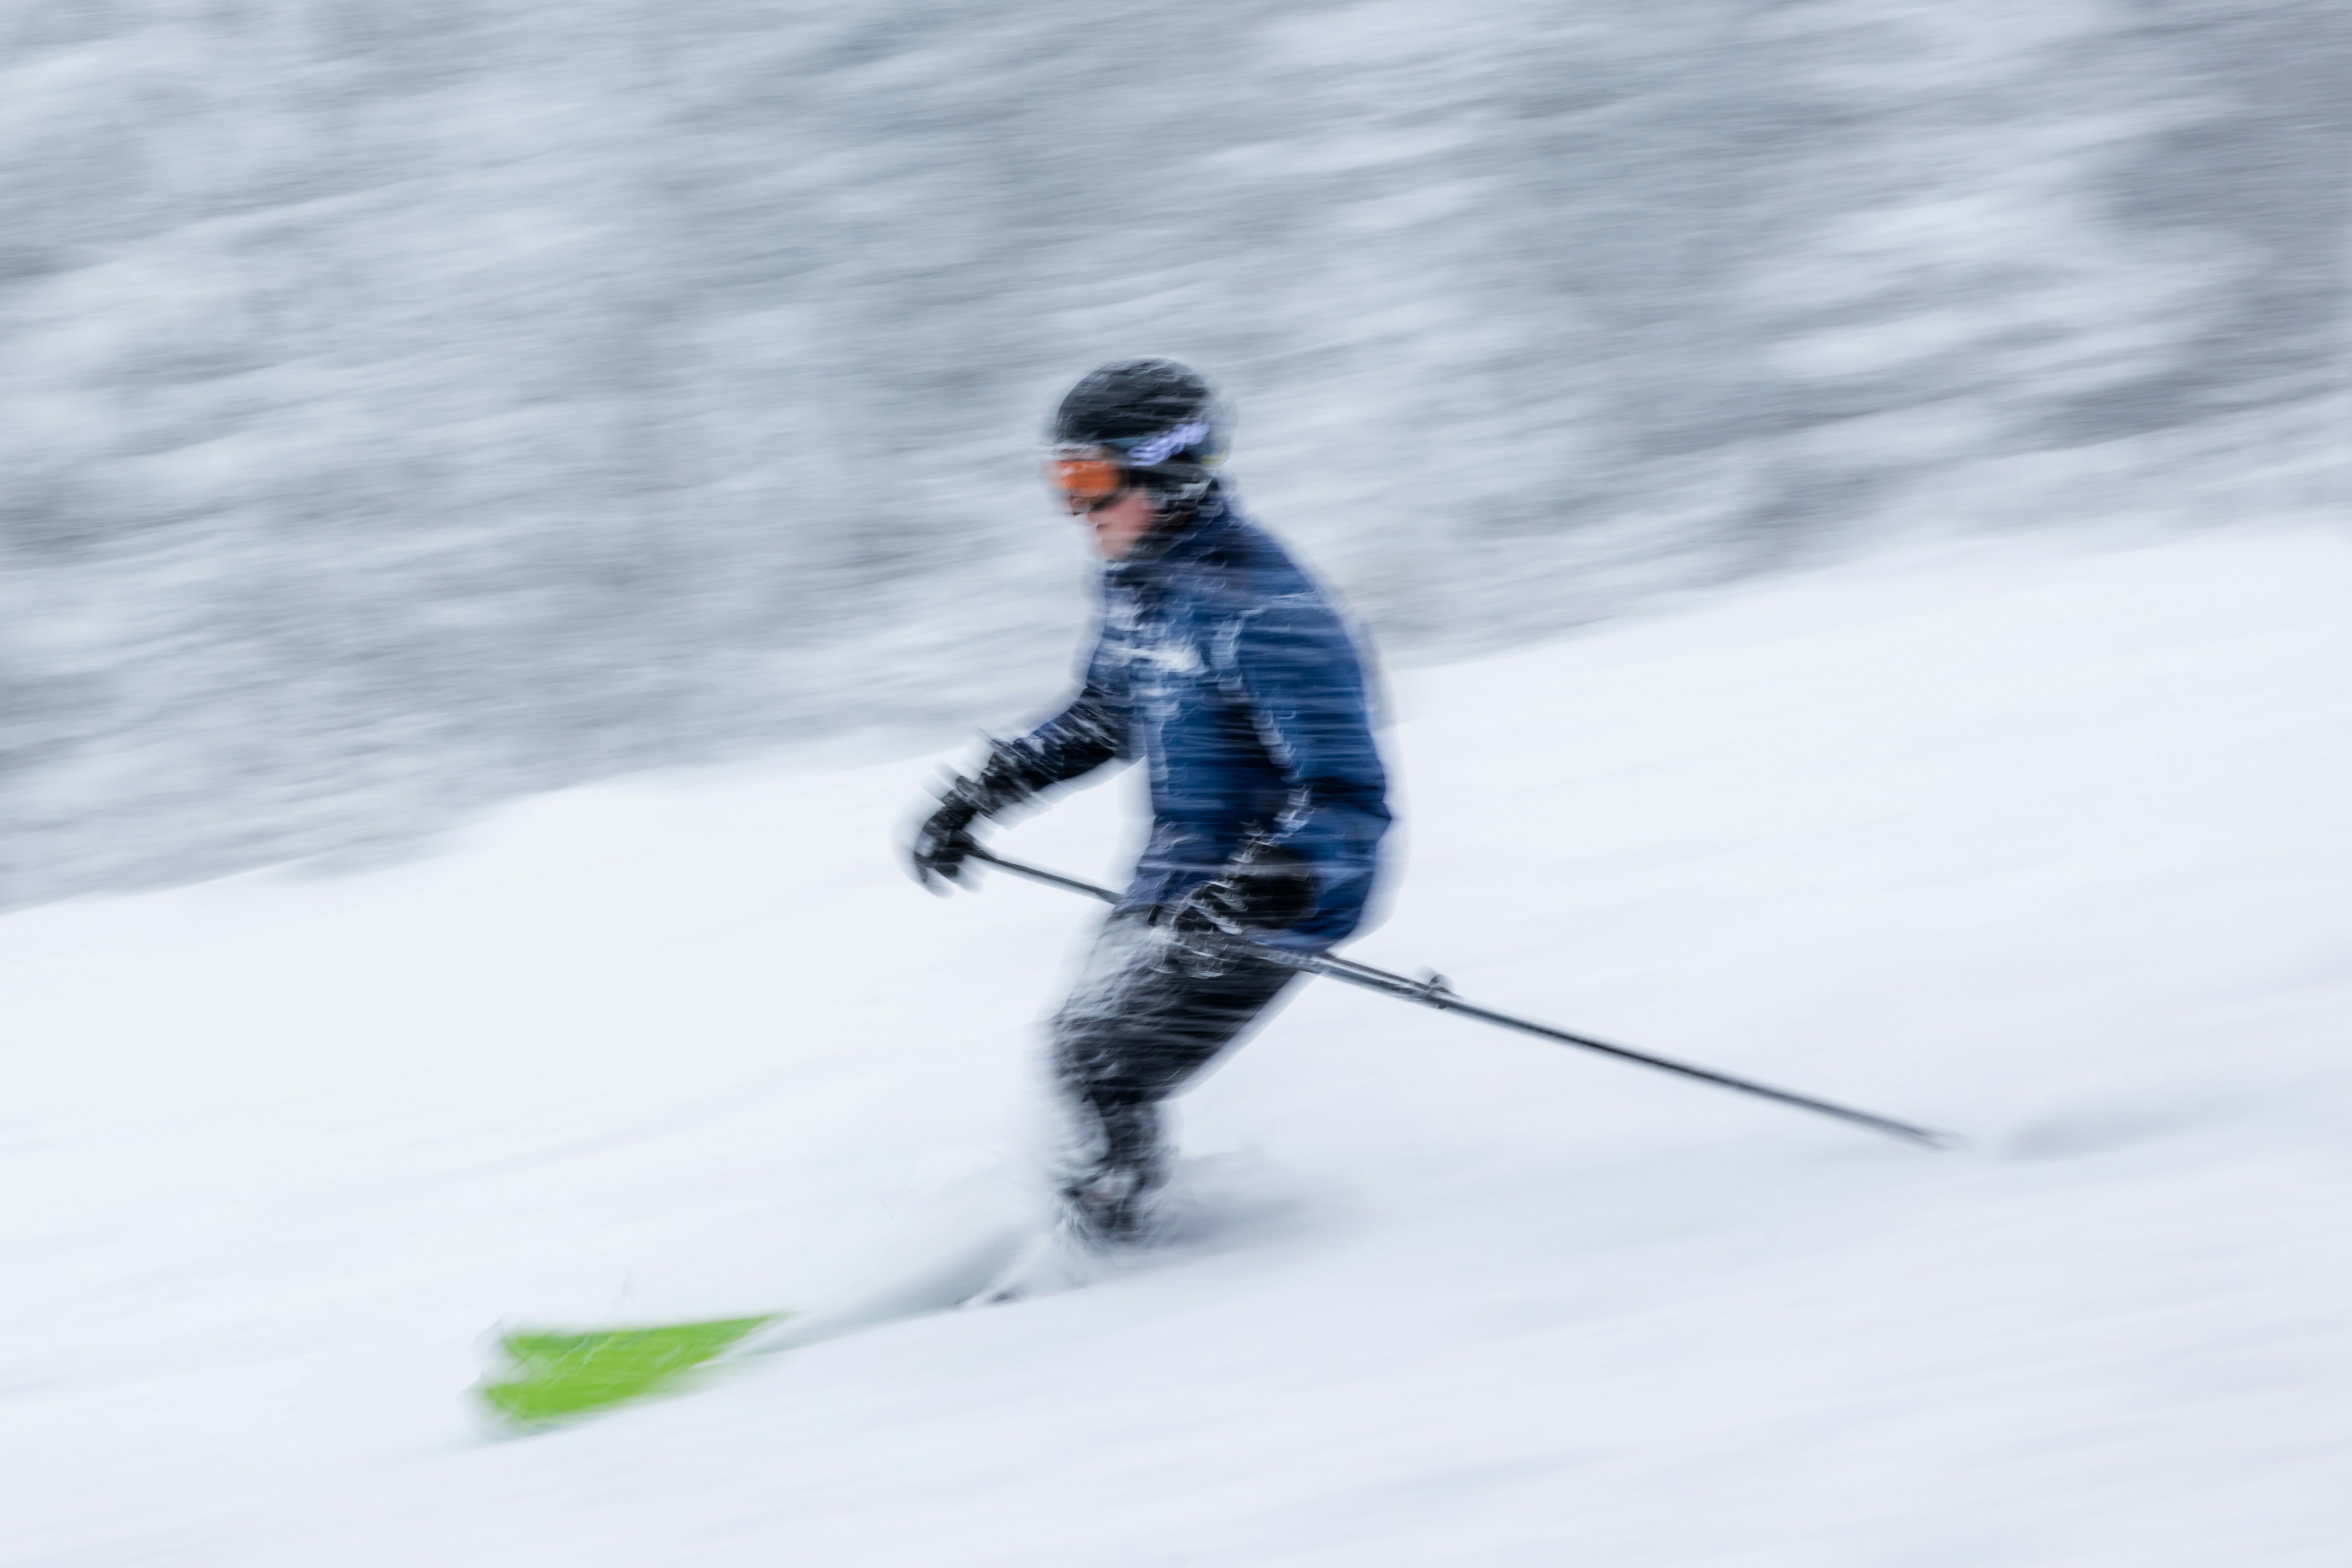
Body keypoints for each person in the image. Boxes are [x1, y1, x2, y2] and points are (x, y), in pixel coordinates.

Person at [909, 359, 1391, 1247]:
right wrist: (985, 791)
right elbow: (1105, 712)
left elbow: (1348, 797)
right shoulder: (1145, 585)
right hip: (1174, 879)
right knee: (1074, 1053)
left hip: (1269, 900)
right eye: (1062, 481)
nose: (1076, 510)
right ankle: (1095, 1224)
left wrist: (1276, 879)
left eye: (1091, 481)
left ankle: (1111, 1259)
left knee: (1096, 1061)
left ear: (1168, 472)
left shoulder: (1270, 612)